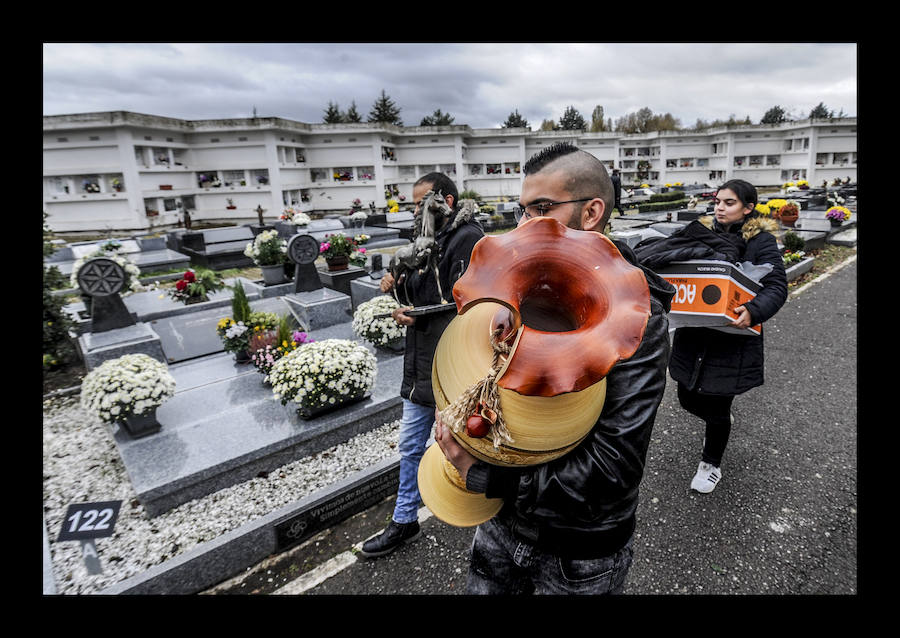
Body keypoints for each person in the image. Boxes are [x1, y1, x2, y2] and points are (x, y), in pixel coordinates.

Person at [434, 142, 675, 594]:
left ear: (592, 212)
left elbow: (613, 469)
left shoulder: (639, 318)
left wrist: (486, 473)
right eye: (522, 210)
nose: (526, 225)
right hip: (501, 526)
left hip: (578, 552)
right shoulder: (520, 288)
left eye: (542, 208)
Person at [359, 172, 484, 558]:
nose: (414, 211)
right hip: (420, 362)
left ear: (445, 200)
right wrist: (394, 284)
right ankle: (404, 519)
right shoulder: (424, 240)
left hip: (452, 362)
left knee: (468, 442)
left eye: (420, 202)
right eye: (413, 204)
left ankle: (481, 510)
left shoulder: (469, 239)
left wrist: (418, 314)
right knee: (412, 445)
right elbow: (418, 290)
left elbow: (470, 305)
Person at [667, 179, 787, 494]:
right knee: (685, 397)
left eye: (729, 202)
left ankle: (710, 464)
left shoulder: (761, 241)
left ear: (748, 208)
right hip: (694, 336)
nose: (719, 207)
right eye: (718, 201)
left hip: (731, 342)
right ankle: (718, 423)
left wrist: (754, 310)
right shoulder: (703, 232)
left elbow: (776, 286)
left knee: (718, 408)